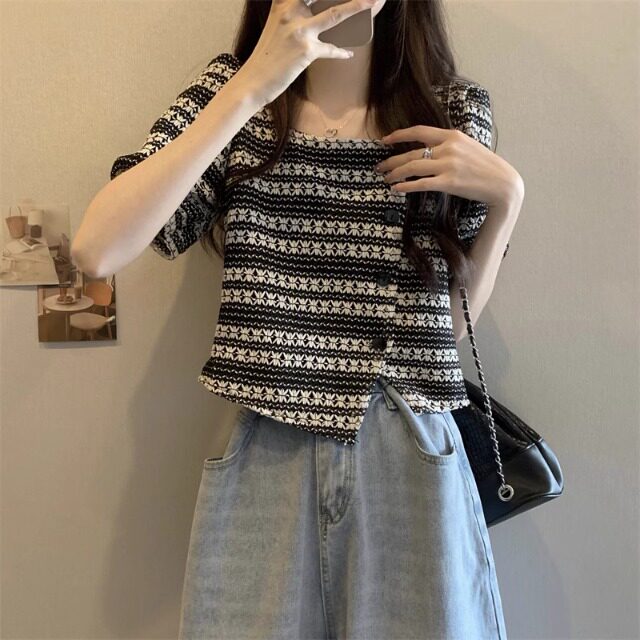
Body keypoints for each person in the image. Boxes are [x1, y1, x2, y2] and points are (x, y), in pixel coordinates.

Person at [73, 0, 523, 637]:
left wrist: (507, 202)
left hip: (409, 441)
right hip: (266, 443)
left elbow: (445, 333)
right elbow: (97, 249)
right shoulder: (234, 95)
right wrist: (251, 86)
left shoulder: (448, 111)